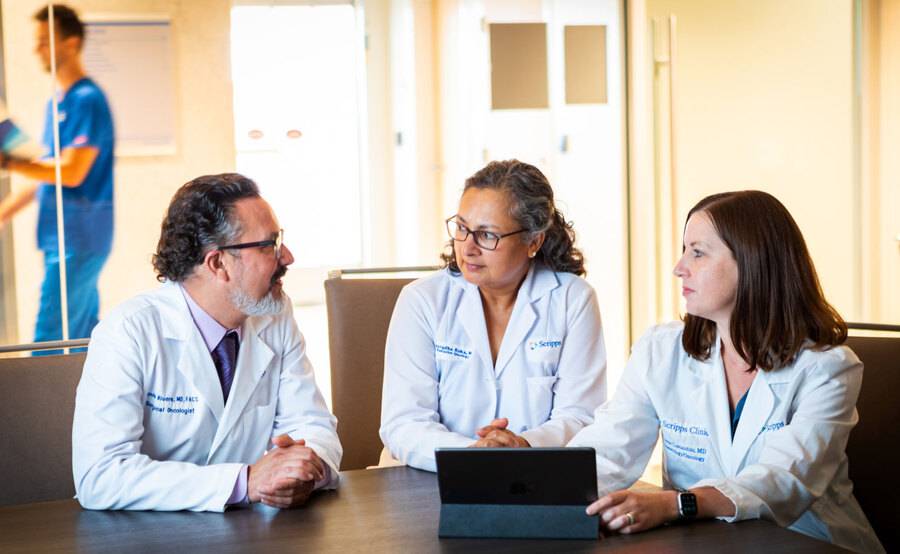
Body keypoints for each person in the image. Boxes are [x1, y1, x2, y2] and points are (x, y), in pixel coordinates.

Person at [570, 190, 884, 553]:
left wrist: (677, 503)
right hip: (703, 541)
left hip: (805, 540)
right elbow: (610, 449)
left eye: (698, 252)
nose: (679, 267)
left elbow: (786, 480)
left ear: (753, 263)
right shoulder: (661, 351)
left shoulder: (828, 368)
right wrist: (540, 491)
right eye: (684, 249)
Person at [72, 173, 342, 511]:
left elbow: (312, 425)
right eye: (268, 244)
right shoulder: (129, 331)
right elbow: (101, 476)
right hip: (151, 540)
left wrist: (302, 469)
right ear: (218, 263)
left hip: (256, 534)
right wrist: (245, 481)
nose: (287, 257)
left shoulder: (274, 314)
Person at [379, 160, 607, 472]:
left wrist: (524, 445)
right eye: (461, 228)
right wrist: (473, 453)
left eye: (487, 235)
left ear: (533, 241)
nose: (468, 247)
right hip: (430, 475)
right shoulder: (422, 300)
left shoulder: (572, 299)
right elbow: (403, 422)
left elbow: (580, 416)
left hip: (533, 476)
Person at [0, 4, 115, 343]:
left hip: (79, 236)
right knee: (82, 336)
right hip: (59, 235)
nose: (37, 50)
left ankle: (45, 399)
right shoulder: (56, 103)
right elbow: (46, 174)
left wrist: (8, 163)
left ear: (71, 42)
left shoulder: (87, 100)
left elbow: (73, 172)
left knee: (50, 338)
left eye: (44, 41)